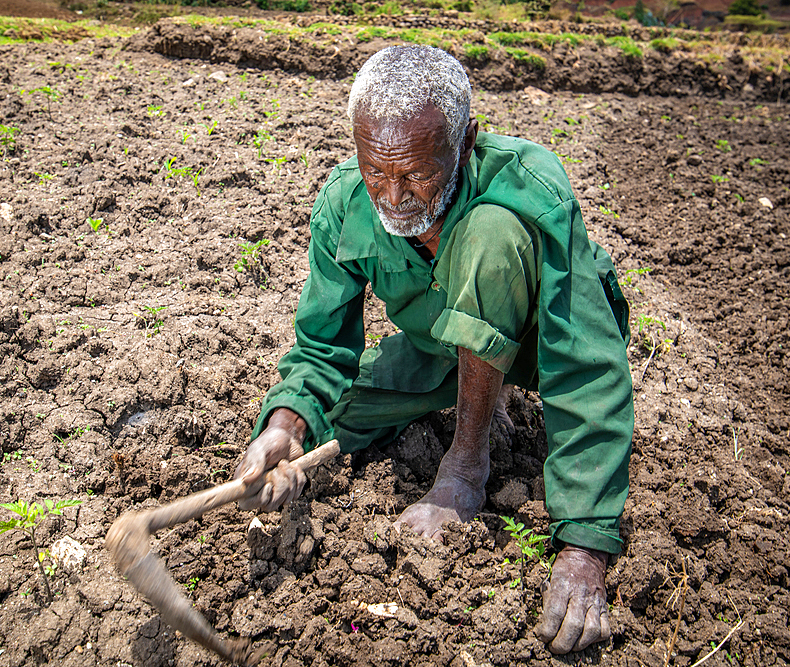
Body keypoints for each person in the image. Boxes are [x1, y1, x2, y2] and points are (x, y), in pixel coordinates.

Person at [233, 44, 633, 654]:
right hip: (442, 346)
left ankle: (469, 461)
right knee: (329, 420)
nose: (394, 197)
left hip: (536, 344)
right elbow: (321, 345)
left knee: (491, 237)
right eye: (376, 172)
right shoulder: (345, 202)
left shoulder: (528, 187)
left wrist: (585, 548)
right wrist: (287, 424)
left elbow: (586, 367)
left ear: (465, 139)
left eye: (418, 173)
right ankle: (473, 387)